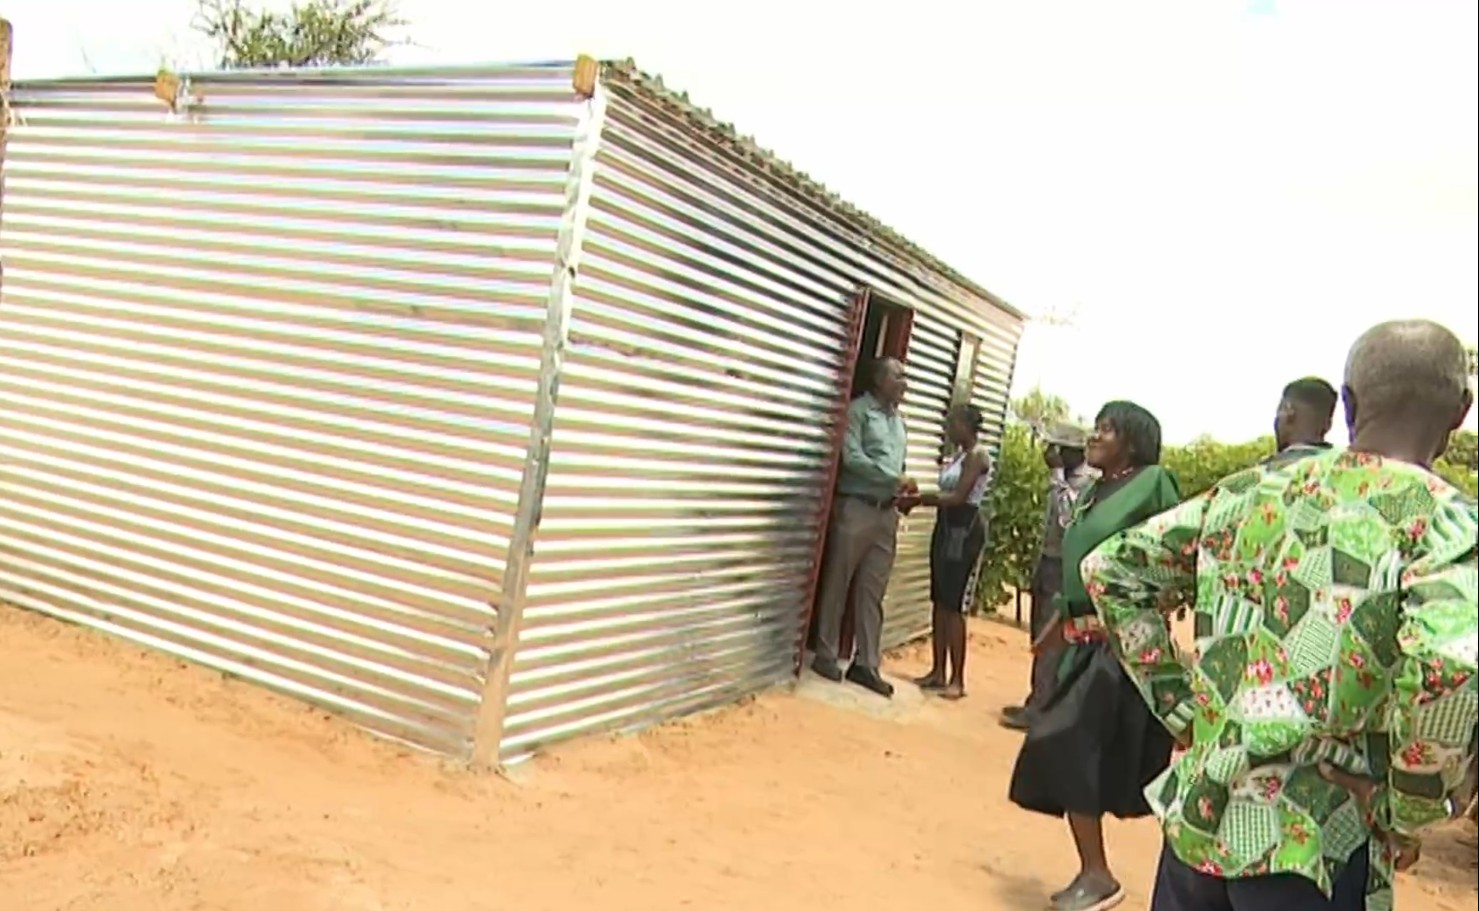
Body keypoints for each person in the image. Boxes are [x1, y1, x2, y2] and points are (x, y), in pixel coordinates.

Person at [1083, 318, 1478, 911]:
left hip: (1202, 823)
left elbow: (1112, 570)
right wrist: (1406, 806)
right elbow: (1448, 668)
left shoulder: (1253, 492)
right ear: (1461, 411)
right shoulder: (1446, 524)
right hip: (1314, 839)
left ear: (1348, 404)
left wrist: (1181, 706)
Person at [1006, 401, 1182, 911]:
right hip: (1081, 643)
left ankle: (1099, 874)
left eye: (1108, 429)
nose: (1094, 435)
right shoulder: (1091, 492)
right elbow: (1079, 571)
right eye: (1097, 426)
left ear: (1133, 441)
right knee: (1077, 751)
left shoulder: (1153, 484)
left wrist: (1144, 609)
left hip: (1121, 648)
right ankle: (1096, 872)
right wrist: (1057, 628)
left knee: (1067, 741)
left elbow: (1177, 556)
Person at [811, 357, 911, 698]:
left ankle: (866, 663)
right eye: (898, 376)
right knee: (839, 580)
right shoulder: (858, 412)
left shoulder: (899, 422)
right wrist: (893, 478)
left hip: (886, 513)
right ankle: (826, 653)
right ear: (879, 379)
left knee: (873, 591)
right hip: (857, 507)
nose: (905, 382)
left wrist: (903, 492)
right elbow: (852, 458)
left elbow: (899, 464)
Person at [1001, 421, 1096, 730]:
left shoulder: (1085, 483)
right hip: (1049, 562)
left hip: (1063, 567)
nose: (1049, 453)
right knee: (1038, 634)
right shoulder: (1066, 479)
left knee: (1051, 639)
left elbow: (1067, 520)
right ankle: (1037, 699)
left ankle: (1042, 709)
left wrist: (1056, 475)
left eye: (1055, 448)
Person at [904, 404, 993, 700]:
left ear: (967, 425)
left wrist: (919, 500)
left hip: (963, 530)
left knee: (953, 603)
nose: (950, 428)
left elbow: (958, 497)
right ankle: (938, 670)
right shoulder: (959, 455)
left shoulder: (978, 456)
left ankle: (957, 679)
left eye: (954, 423)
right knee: (940, 599)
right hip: (946, 526)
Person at [1268, 376, 1339, 469]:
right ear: (1328, 424)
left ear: (1288, 411)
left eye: (1279, 411)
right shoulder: (1346, 463)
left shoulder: (1264, 472)